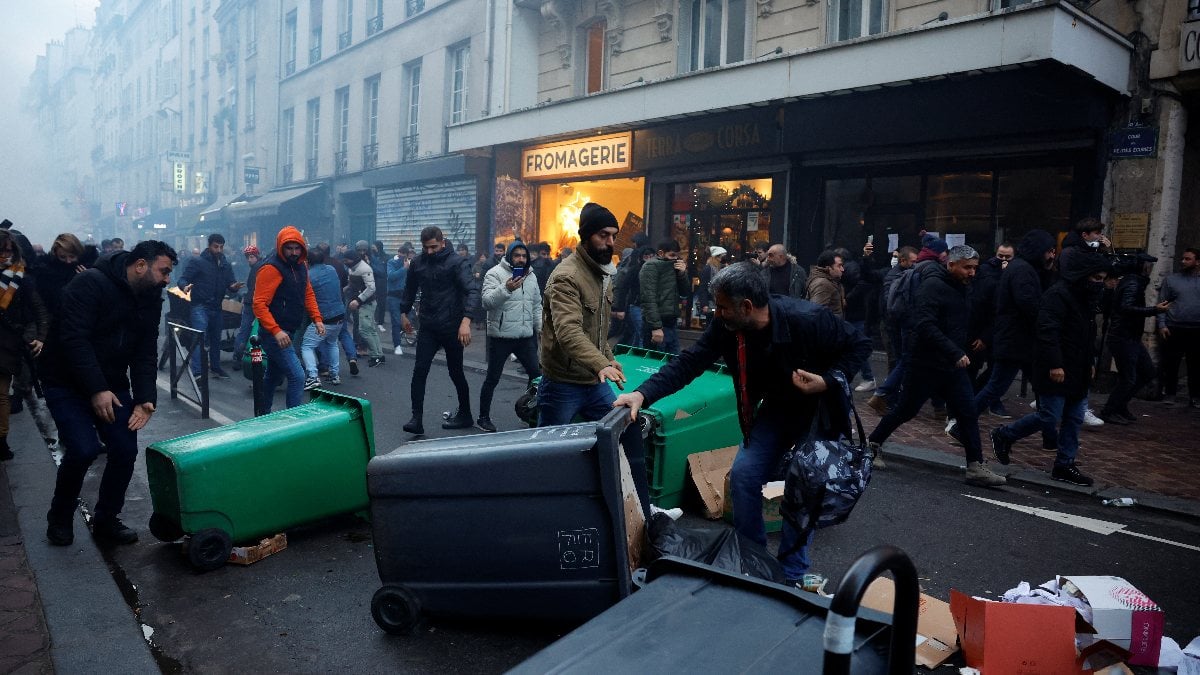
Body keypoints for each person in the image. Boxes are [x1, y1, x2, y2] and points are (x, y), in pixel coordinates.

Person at [613, 262, 871, 584]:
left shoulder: (807, 319)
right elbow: (691, 362)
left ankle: (791, 572)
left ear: (746, 307)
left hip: (817, 412)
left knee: (803, 488)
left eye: (722, 306)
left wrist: (828, 380)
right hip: (775, 411)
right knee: (744, 476)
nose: (716, 313)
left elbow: (860, 344)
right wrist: (642, 394)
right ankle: (755, 561)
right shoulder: (727, 327)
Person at [42, 240, 177, 546]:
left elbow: (145, 350)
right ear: (140, 264)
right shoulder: (90, 282)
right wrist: (96, 389)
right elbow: (74, 338)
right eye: (164, 271)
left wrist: (145, 399)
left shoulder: (151, 295)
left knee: (125, 447)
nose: (168, 278)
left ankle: (106, 519)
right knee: (83, 448)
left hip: (112, 382)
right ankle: (60, 518)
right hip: (65, 380)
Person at [867, 245, 1007, 487]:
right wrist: (954, 351)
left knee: (967, 411)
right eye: (967, 268)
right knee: (906, 409)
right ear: (951, 265)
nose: (972, 273)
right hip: (925, 362)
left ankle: (975, 466)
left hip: (952, 365)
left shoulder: (964, 287)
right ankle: (872, 444)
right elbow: (924, 324)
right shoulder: (933, 286)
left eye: (974, 268)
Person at [989, 253, 1112, 486]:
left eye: (1102, 278)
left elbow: (1087, 335)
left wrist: (1091, 363)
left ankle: (1064, 464)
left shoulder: (1086, 298)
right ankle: (1004, 434)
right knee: (1050, 415)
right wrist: (1056, 363)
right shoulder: (1058, 295)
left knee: (1074, 417)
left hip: (1078, 365)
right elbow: (1048, 331)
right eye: (1096, 277)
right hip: (1055, 365)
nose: (1099, 283)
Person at [538, 203, 626, 426]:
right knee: (550, 450)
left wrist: (608, 359)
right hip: (562, 384)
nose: (610, 243)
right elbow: (568, 332)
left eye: (614, 236)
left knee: (617, 431)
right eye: (603, 235)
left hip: (594, 379)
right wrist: (601, 363)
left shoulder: (601, 273)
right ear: (586, 236)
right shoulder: (567, 276)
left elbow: (596, 327)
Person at [973, 229, 1059, 438]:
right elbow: (1029, 305)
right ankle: (961, 420)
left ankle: (1049, 436)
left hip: (1022, 341)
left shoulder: (1026, 269)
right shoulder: (1022, 270)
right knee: (996, 386)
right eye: (1049, 251)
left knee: (1039, 387)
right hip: (1015, 340)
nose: (1052, 256)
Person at [399, 226, 479, 434]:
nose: (430, 251)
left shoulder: (457, 262)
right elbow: (409, 289)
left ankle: (466, 413)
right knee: (419, 371)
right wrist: (403, 313)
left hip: (453, 326)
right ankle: (416, 418)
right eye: (426, 247)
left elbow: (472, 291)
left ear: (443, 242)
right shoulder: (418, 262)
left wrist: (466, 321)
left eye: (434, 247)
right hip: (428, 326)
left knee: (456, 372)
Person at [252, 226, 325, 413]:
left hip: (287, 330)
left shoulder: (301, 266)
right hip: (274, 333)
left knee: (273, 376)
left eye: (296, 248)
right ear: (281, 248)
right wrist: (276, 331)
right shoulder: (271, 268)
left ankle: (262, 414)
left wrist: (317, 318)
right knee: (297, 376)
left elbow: (307, 292)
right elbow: (259, 304)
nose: (293, 252)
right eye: (289, 248)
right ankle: (292, 422)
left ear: (302, 248)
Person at [477, 241, 542, 432]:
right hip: (501, 336)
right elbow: (486, 302)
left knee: (536, 376)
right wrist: (506, 289)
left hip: (525, 336)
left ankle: (530, 413)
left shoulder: (531, 275)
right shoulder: (494, 273)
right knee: (492, 378)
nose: (521, 259)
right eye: (517, 255)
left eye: (524, 256)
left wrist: (540, 328)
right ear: (509, 256)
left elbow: (536, 304)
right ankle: (483, 417)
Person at [1099, 254, 1169, 424]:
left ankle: (1120, 405)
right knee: (1128, 377)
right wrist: (1155, 310)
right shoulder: (1132, 283)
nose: (1149, 270)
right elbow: (1126, 307)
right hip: (1123, 337)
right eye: (1147, 266)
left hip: (1131, 337)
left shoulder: (1134, 281)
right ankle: (1109, 410)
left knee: (1147, 372)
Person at [0, 230, 49, 461]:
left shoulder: (22, 278)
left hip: (7, 341)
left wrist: (40, 336)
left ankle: (1, 440)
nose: (6, 255)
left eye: (10, 250)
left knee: (1, 393)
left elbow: (39, 309)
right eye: (2, 250)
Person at [178, 233, 243, 378]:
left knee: (215, 339)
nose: (219, 250)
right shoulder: (198, 262)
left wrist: (234, 286)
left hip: (216, 306)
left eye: (221, 247)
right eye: (216, 246)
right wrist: (184, 286)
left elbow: (230, 283)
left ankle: (215, 367)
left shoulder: (225, 264)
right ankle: (198, 371)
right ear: (209, 245)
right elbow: (183, 278)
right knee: (199, 338)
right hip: (200, 306)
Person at [968, 242, 1014, 416]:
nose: (1003, 260)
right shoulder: (985, 272)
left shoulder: (1014, 271)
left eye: (1007, 257)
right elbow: (985, 303)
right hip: (984, 327)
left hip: (999, 328)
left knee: (996, 367)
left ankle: (985, 398)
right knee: (975, 366)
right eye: (1000, 256)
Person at [871, 245, 918, 414]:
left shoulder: (903, 274)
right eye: (913, 261)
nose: (915, 264)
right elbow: (889, 304)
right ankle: (886, 397)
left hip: (895, 325)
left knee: (900, 361)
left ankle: (890, 397)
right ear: (903, 260)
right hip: (893, 326)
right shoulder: (895, 276)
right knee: (896, 361)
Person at [1157, 247, 1200, 406]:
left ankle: (1195, 396)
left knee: (1195, 365)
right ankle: (1170, 394)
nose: (1183, 261)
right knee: (1171, 363)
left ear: (1198, 262)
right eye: (1183, 258)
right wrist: (1162, 324)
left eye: (1188, 259)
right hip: (1174, 327)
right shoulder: (1171, 280)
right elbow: (1162, 303)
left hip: (1197, 329)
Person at [300, 248, 346, 388]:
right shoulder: (331, 269)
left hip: (323, 318)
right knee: (332, 343)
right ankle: (334, 375)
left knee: (307, 346)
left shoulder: (309, 276)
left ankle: (313, 377)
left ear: (308, 261)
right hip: (339, 315)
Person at [838, 243, 881, 391]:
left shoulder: (852, 269)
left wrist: (847, 299)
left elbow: (862, 284)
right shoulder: (851, 268)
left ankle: (868, 377)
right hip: (853, 313)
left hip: (855, 313)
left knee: (857, 345)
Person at [639, 239, 689, 354]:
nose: (675, 259)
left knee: (674, 361)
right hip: (658, 323)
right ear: (661, 253)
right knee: (656, 363)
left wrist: (682, 274)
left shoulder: (674, 267)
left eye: (677, 256)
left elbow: (685, 292)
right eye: (672, 255)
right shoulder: (650, 266)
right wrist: (656, 327)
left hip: (671, 322)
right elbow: (648, 298)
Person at [342, 248, 384, 368]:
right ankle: (378, 355)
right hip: (362, 303)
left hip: (366, 304)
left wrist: (358, 299)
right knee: (370, 330)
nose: (345, 262)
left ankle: (376, 356)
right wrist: (347, 288)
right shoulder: (353, 268)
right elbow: (354, 283)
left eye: (347, 260)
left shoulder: (364, 268)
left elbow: (371, 288)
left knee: (365, 330)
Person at [612, 246, 653, 347]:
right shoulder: (633, 270)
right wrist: (619, 308)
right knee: (639, 333)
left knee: (634, 333)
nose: (649, 258)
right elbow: (621, 289)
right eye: (646, 255)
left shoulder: (653, 270)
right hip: (635, 305)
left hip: (644, 306)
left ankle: (624, 352)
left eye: (652, 256)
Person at [230, 245, 263, 370]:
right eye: (248, 257)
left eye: (251, 257)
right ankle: (255, 359)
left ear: (257, 256)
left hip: (253, 304)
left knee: (244, 331)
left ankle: (237, 357)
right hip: (256, 303)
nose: (249, 260)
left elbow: (252, 286)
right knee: (257, 331)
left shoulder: (257, 268)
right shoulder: (259, 267)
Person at [805, 249, 845, 318]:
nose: (842, 269)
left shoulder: (834, 281)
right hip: (828, 327)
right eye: (839, 266)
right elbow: (816, 314)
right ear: (828, 268)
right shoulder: (822, 284)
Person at [696, 245, 728, 324]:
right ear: (716, 257)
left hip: (720, 303)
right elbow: (703, 287)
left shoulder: (721, 268)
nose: (723, 259)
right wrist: (704, 304)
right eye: (722, 257)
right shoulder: (708, 269)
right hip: (711, 303)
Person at [386, 250, 409, 355]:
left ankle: (399, 333)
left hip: (406, 296)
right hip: (394, 296)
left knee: (410, 318)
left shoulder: (410, 263)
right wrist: (404, 268)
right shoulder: (392, 263)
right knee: (396, 320)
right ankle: (397, 345)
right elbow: (391, 276)